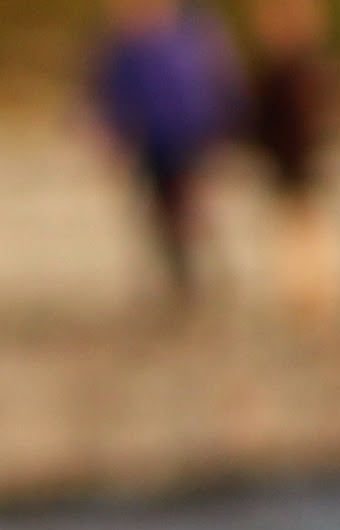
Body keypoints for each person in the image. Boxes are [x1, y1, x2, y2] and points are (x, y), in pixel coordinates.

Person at [86, 0, 241, 313]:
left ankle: (204, 275)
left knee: (187, 206)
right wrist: (109, 133)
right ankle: (181, 282)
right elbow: (107, 90)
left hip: (188, 137)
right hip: (148, 141)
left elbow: (222, 81)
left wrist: (226, 128)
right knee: (158, 212)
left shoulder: (194, 29)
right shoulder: (122, 41)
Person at [244, 0, 340, 327]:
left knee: (301, 231)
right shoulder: (304, 69)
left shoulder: (293, 71)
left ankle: (310, 297)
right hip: (292, 163)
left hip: (299, 163)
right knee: (301, 230)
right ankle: (307, 297)